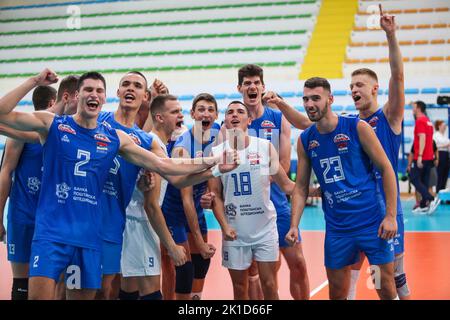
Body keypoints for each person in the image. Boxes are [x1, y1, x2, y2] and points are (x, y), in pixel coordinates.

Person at [0, 69, 238, 300]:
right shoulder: (71, 123)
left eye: (98, 91)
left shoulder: (123, 138)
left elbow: (167, 168)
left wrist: (215, 164)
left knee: (106, 292)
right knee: (54, 291)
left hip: (100, 232)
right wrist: (35, 81)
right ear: (80, 94)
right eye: (88, 90)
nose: (93, 94)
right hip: (54, 230)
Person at [286, 77, 399, 300]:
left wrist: (391, 216)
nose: (309, 104)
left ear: (330, 99)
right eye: (306, 99)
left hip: (372, 226)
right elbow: (300, 187)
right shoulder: (305, 140)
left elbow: (386, 169)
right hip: (338, 230)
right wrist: (294, 225)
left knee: (384, 287)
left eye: (315, 98)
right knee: (337, 293)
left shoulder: (358, 127)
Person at [236, 64, 310, 300]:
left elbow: (286, 165)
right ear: (239, 88)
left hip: (277, 202)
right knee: (260, 270)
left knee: (297, 262)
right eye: (247, 83)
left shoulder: (278, 118)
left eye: (256, 82)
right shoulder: (232, 122)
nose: (252, 86)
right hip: (247, 206)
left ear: (263, 87)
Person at [209, 101, 296, 300]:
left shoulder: (265, 147)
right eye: (230, 112)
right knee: (240, 288)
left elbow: (287, 185)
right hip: (234, 231)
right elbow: (216, 196)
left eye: (240, 112)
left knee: (269, 284)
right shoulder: (215, 154)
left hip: (265, 228)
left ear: (249, 120)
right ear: (225, 122)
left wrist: (317, 190)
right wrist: (224, 226)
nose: (235, 115)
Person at [161, 93, 220, 300]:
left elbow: (214, 175)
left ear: (216, 115)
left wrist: (208, 194)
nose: (206, 113)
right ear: (193, 114)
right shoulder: (183, 147)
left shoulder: (218, 135)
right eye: (201, 109)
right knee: (183, 268)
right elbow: (186, 198)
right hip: (174, 211)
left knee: (202, 262)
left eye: (210, 110)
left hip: (196, 208)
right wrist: (199, 241)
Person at [0, 85, 56, 300]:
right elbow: (5, 172)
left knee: (49, 283)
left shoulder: (57, 130)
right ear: (53, 102)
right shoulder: (24, 130)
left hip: (48, 220)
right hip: (24, 216)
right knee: (22, 284)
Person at [409, 100, 440, 214]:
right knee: (424, 181)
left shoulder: (420, 121)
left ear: (418, 108)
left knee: (413, 178)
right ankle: (423, 205)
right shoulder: (428, 121)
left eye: (414, 106)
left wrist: (420, 155)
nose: (412, 108)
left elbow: (422, 138)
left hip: (422, 156)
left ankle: (431, 198)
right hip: (429, 156)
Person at [433, 120, 450, 193]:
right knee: (440, 175)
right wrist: (446, 145)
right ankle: (438, 193)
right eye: (443, 125)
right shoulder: (436, 135)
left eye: (445, 126)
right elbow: (435, 146)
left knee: (445, 175)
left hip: (446, 155)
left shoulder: (445, 136)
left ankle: (443, 193)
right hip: (440, 155)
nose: (445, 127)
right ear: (439, 126)